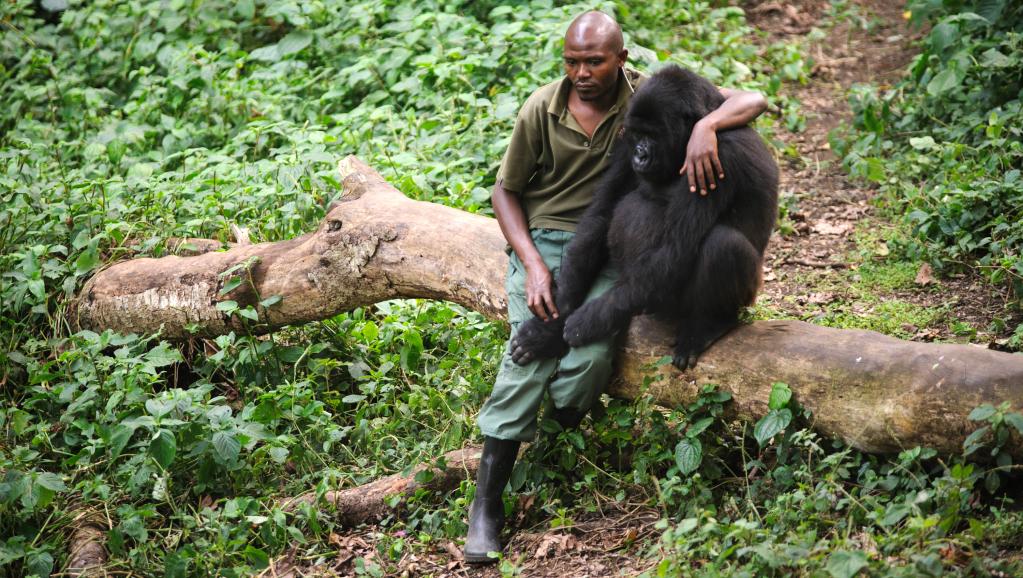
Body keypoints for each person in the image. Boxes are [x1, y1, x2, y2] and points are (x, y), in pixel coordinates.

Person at [463, 10, 768, 563]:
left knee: (594, 347)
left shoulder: (708, 149)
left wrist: (570, 329)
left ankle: (708, 325)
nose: (641, 151)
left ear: (619, 61)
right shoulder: (617, 116)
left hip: (707, 276)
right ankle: (487, 502)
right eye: (572, 61)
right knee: (532, 350)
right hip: (563, 245)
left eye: (594, 60)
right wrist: (551, 297)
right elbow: (597, 220)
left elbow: (672, 262)